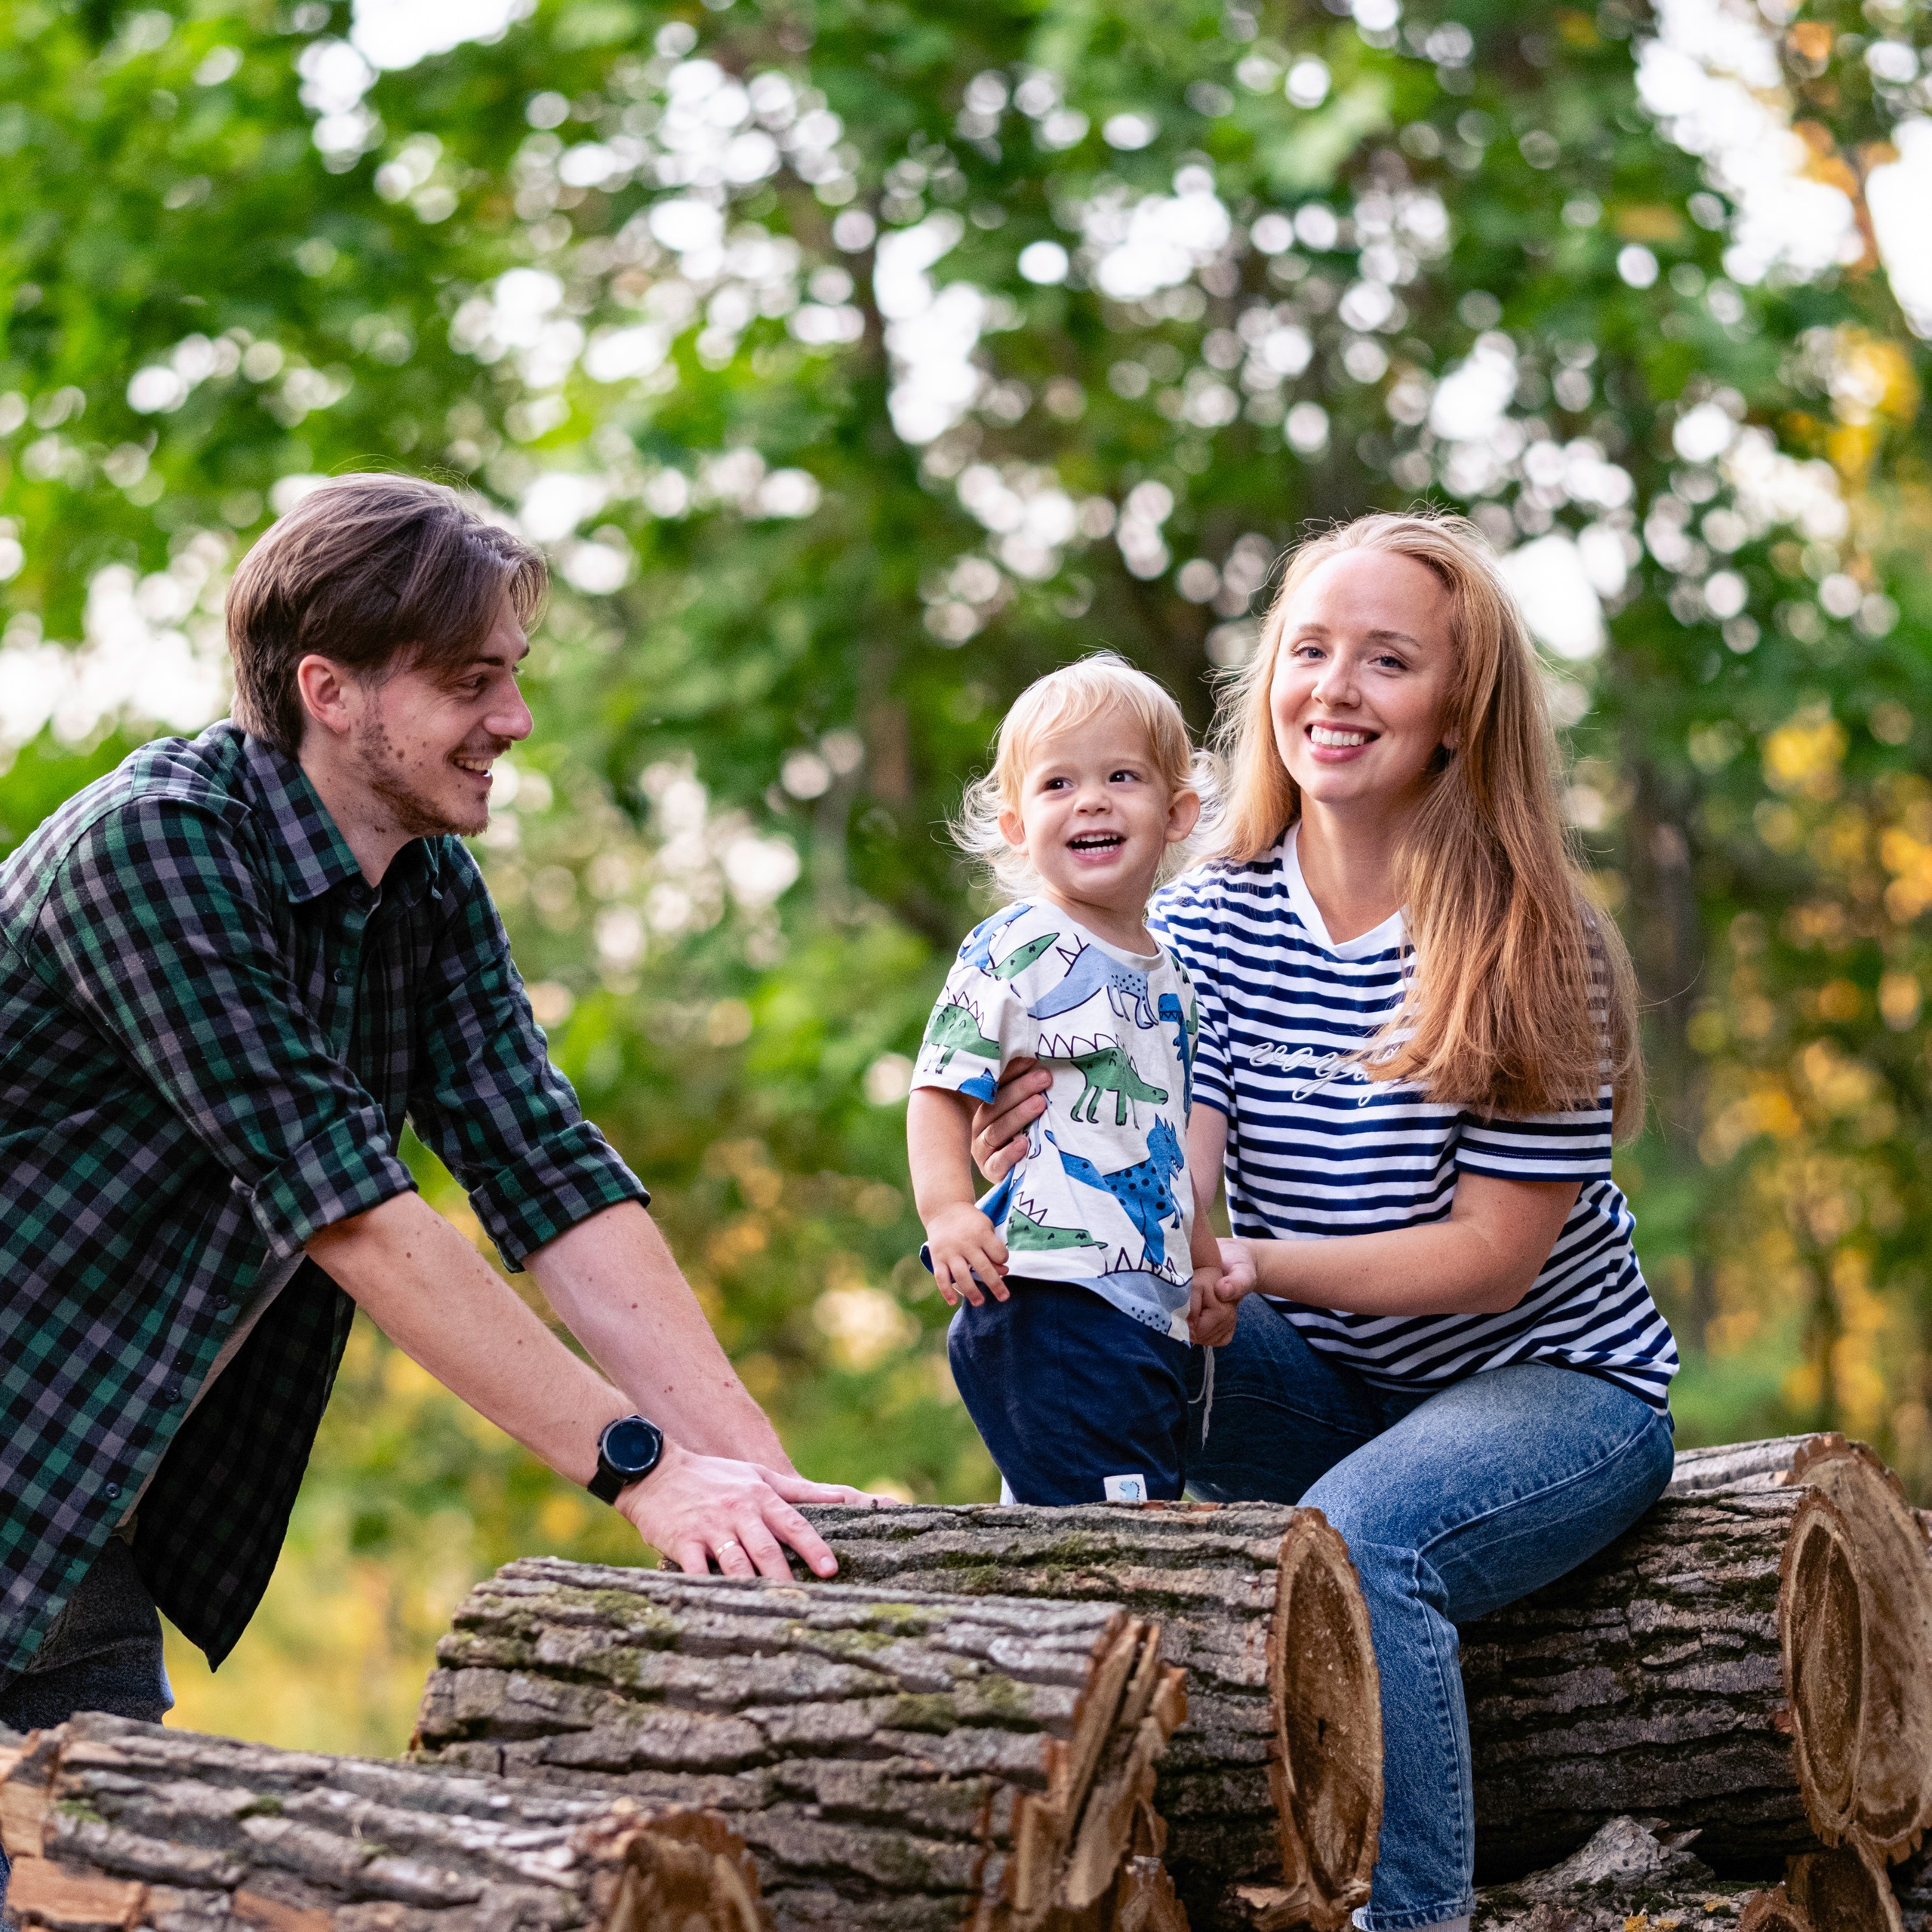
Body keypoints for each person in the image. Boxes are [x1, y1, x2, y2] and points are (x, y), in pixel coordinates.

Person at [0, 472, 877, 1758]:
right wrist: (642, 1467)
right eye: (471, 682)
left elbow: (546, 1167)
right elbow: (346, 1211)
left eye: (512, 675)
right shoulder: (153, 853)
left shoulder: (426, 892)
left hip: (73, 1518)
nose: (514, 719)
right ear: (330, 690)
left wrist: (753, 1471)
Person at [970, 513, 1678, 1932]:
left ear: (1458, 713)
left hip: (1551, 1392)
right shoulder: (1209, 921)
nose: (1335, 690)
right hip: (1326, 1384)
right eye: (1311, 651)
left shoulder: (1537, 941)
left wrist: (1256, 1266)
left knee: (1361, 1543)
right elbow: (1188, 1169)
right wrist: (1064, 1169)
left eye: (1389, 661)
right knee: (1054, 1352)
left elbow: (1493, 1261)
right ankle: (1035, 1838)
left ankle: (1411, 1918)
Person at [906, 656, 1226, 1507]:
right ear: (1016, 825)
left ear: (1176, 813)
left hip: (1143, 1309)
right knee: (1121, 1532)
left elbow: (1160, 1144)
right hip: (1052, 1292)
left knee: (1087, 1528)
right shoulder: (1018, 942)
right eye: (1058, 783)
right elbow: (941, 1084)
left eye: (1120, 776)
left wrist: (1200, 1269)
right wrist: (945, 1211)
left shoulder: (1173, 979)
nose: (1090, 799)